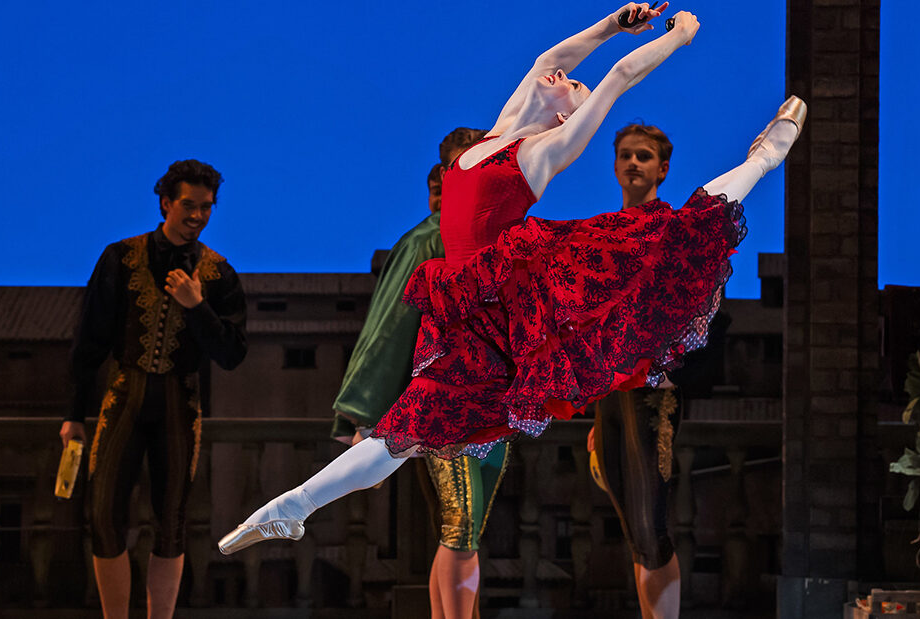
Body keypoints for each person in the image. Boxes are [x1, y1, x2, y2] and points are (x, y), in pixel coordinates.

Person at [220, 2, 804, 558]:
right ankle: (293, 507)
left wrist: (679, 35)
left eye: (575, 87)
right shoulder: (494, 136)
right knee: (407, 426)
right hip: (465, 312)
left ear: (565, 113)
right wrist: (610, 25)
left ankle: (760, 161)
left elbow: (621, 75)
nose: (568, 79)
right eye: (569, 80)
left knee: (668, 236)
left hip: (507, 302)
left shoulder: (543, 152)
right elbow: (551, 58)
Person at [329, 127, 509, 619]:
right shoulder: (430, 241)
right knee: (461, 527)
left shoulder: (496, 238)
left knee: (462, 529)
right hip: (446, 405)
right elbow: (388, 328)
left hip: (490, 403)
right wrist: (361, 414)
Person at [61, 159, 247, 618]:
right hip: (124, 395)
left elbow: (232, 354)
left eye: (206, 208)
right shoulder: (120, 258)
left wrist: (197, 307)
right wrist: (73, 413)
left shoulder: (219, 275)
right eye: (188, 205)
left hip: (179, 406)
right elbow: (89, 342)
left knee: (171, 524)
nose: (197, 217)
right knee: (103, 516)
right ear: (166, 203)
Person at [586, 122, 730, 619]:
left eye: (643, 156)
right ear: (614, 165)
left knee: (652, 524)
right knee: (633, 525)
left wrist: (681, 374)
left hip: (653, 394)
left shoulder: (674, 233)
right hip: (611, 396)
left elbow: (711, 308)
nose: (632, 164)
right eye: (625, 155)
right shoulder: (607, 231)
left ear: (662, 169)